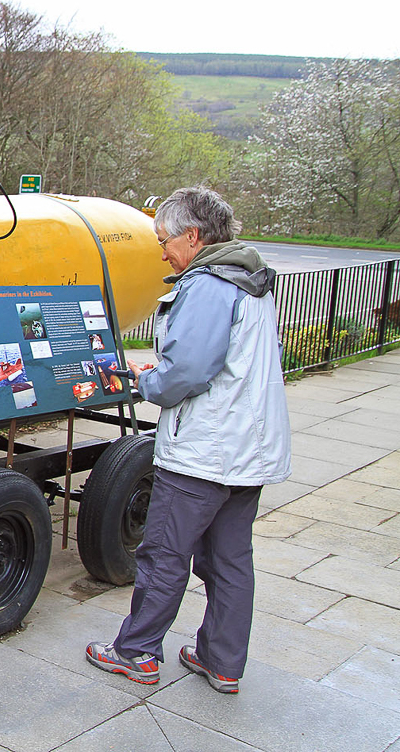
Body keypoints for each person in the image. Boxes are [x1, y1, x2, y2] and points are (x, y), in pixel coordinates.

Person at [85, 187, 291, 694]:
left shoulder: (207, 284)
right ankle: (221, 661)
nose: (161, 251)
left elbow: (190, 372)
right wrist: (169, 368)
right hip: (247, 452)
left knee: (163, 554)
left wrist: (147, 381)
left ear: (193, 236)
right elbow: (229, 363)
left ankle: (136, 653)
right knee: (229, 561)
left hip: (204, 454)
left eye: (165, 239)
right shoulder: (249, 279)